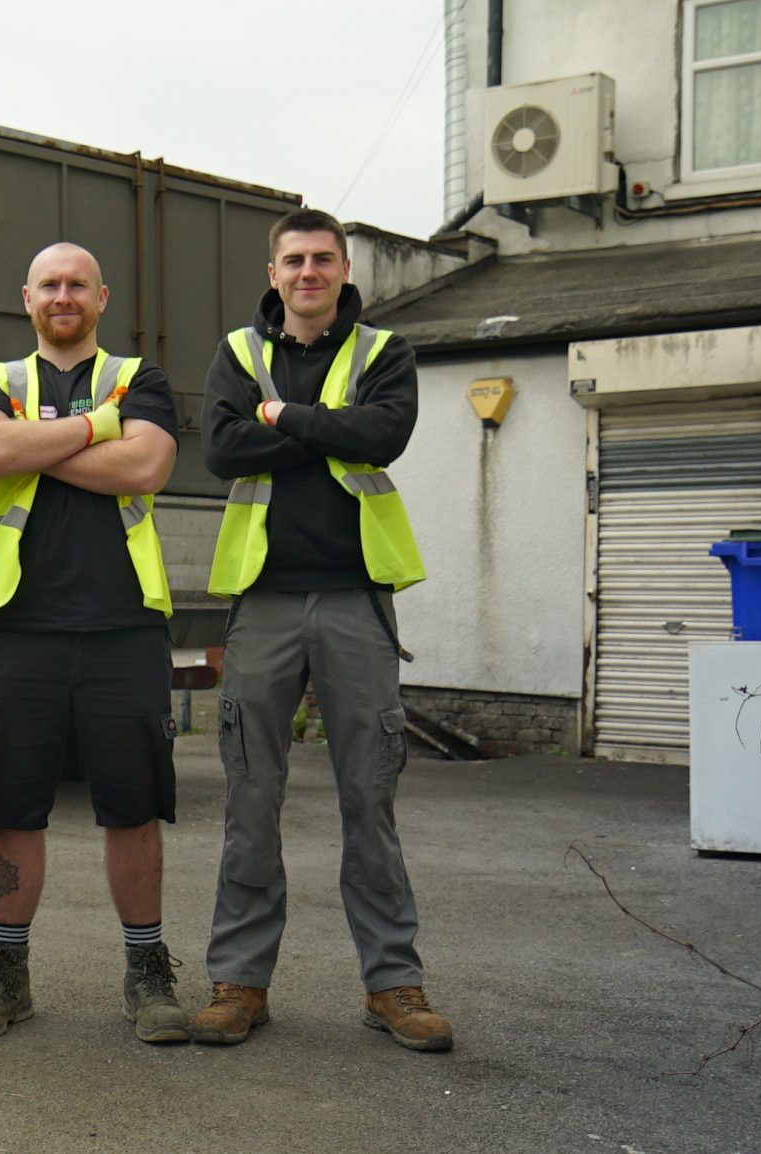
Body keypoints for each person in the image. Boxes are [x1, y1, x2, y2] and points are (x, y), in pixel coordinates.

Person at [192, 208, 448, 1051]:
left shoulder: (384, 352)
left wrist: (282, 420)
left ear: (344, 270)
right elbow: (222, 451)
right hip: (263, 600)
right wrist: (321, 431)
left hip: (354, 601)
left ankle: (393, 986)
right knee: (250, 801)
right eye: (294, 260)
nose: (308, 272)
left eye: (323, 260)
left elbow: (385, 435)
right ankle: (239, 983)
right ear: (274, 273)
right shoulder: (240, 353)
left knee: (368, 797)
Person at [0, 242, 187, 1045]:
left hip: (122, 625)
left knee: (134, 805)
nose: (62, 294)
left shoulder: (141, 378)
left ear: (102, 295)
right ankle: (5, 972)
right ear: (26, 296)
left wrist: (39, 448)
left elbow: (147, 464)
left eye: (77, 283)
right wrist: (93, 434)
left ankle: (148, 973)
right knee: (12, 804)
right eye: (48, 282)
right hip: (20, 625)